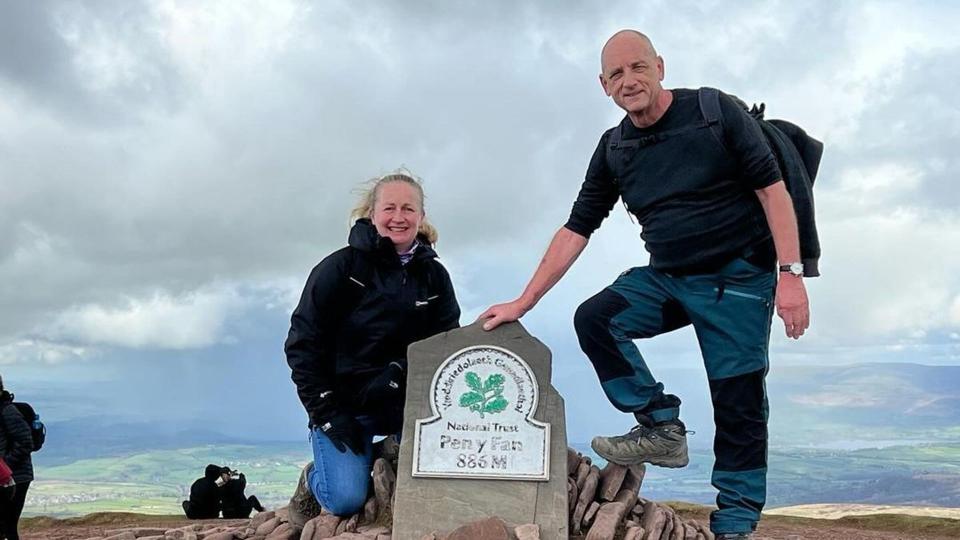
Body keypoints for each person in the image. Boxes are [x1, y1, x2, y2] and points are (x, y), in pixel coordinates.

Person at [480, 30, 811, 539]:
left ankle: (736, 525)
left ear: (660, 66)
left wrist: (790, 277)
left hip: (737, 280)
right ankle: (661, 425)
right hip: (669, 279)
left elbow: (772, 191)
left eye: (638, 67)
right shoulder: (615, 146)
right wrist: (524, 301)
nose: (629, 80)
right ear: (604, 85)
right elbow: (576, 228)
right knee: (596, 318)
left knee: (738, 402)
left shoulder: (713, 112)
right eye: (617, 74)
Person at [284, 170, 460, 527]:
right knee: (346, 497)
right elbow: (302, 344)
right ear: (371, 214)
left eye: (409, 209)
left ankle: (384, 452)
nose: (399, 217)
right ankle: (312, 480)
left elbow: (447, 346)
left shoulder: (434, 276)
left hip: (405, 406)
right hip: (343, 406)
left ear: (421, 217)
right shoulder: (341, 269)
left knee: (438, 483)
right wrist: (327, 412)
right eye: (390, 208)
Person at [0, 376, 33, 540]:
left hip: (16, 478)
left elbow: (26, 442)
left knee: (8, 526)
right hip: (4, 477)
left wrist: (4, 467)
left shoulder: (7, 411)